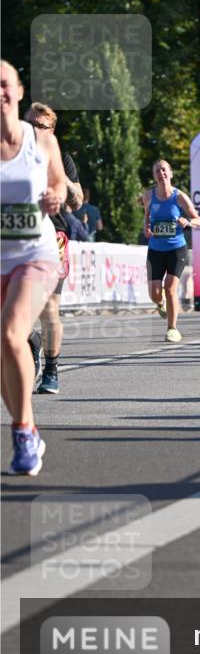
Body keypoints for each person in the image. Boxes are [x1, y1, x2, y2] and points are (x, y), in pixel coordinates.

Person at [1, 60, 67, 475]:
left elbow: (59, 182)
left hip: (35, 254)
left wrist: (56, 197)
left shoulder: (40, 140)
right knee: (3, 348)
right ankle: (26, 425)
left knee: (12, 331)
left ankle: (23, 430)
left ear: (19, 90)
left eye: (3, 84)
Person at [24, 101, 83, 394]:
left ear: (52, 131)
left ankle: (51, 368)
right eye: (29, 123)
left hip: (52, 237)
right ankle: (32, 341)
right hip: (15, 236)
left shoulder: (62, 158)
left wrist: (63, 182)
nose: (33, 130)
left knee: (49, 307)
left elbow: (78, 200)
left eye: (40, 126)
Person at [141, 159, 200, 343]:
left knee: (170, 288)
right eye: (157, 171)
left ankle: (172, 328)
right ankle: (160, 304)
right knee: (154, 293)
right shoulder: (148, 195)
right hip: (155, 249)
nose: (161, 173)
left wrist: (187, 222)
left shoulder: (179, 196)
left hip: (176, 248)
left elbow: (198, 220)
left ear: (171, 173)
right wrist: (146, 228)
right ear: (154, 176)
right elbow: (147, 218)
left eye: (164, 170)